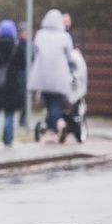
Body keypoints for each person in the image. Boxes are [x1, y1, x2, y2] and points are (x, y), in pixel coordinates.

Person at [27, 9, 74, 143]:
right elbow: (69, 57)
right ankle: (55, 127)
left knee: (48, 102)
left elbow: (35, 53)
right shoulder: (65, 36)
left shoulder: (40, 35)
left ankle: (53, 127)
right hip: (59, 77)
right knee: (55, 103)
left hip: (42, 76)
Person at [0, 20, 26, 146]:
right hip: (11, 84)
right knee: (9, 112)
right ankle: (8, 139)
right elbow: (22, 65)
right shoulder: (16, 46)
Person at [16, 21, 29, 127]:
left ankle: (23, 118)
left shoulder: (29, 44)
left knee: (25, 97)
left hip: (26, 74)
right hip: (20, 74)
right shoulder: (18, 44)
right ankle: (22, 118)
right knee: (22, 97)